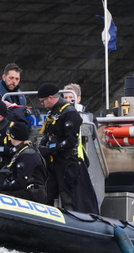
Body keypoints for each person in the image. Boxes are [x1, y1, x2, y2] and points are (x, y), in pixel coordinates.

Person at [37, 83, 100, 214]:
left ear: (50, 97)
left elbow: (70, 141)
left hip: (67, 161)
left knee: (69, 197)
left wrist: (51, 149)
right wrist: (41, 148)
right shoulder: (52, 112)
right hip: (53, 162)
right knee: (47, 194)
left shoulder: (70, 113)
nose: (42, 104)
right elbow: (47, 134)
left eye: (42, 101)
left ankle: (74, 221)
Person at [0, 121, 48, 203]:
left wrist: (2, 186)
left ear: (12, 136)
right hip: (27, 193)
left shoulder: (28, 154)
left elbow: (21, 181)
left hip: (32, 195)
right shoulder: (23, 151)